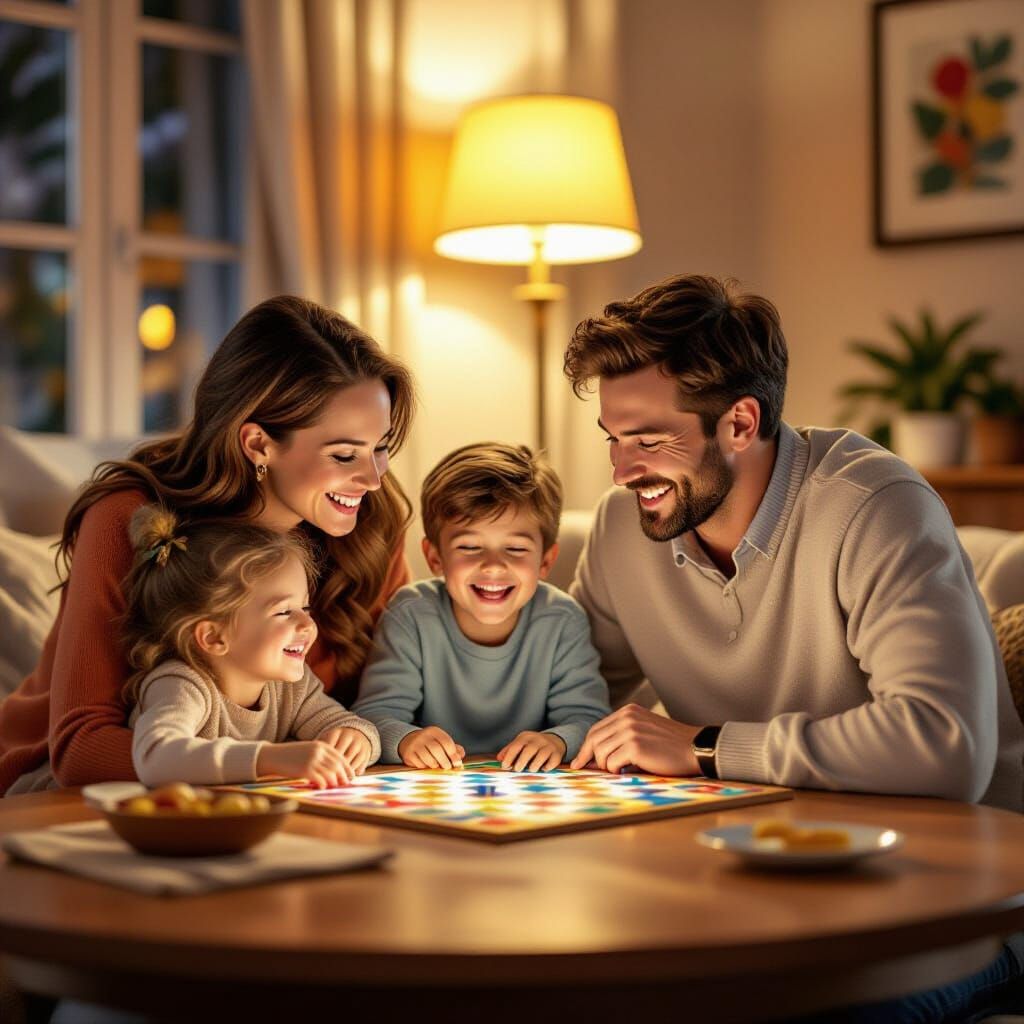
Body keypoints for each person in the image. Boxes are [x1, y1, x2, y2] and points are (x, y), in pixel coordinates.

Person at [563, 272, 1024, 1022]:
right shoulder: (623, 533)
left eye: (649, 439)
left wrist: (707, 749)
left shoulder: (875, 507)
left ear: (740, 423)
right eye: (614, 440)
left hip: (961, 905)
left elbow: (945, 746)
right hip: (754, 888)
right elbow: (570, 695)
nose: (621, 472)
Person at [0, 295, 414, 795]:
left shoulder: (369, 522)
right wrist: (269, 763)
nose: (371, 477)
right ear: (258, 444)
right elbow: (81, 751)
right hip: (63, 792)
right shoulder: (129, 518)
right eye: (345, 454)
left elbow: (390, 707)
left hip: (283, 795)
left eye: (381, 447)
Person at [354, 442, 610, 771]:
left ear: (545, 561)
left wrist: (558, 741)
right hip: (435, 788)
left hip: (531, 791)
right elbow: (373, 717)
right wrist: (405, 740)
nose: (492, 566)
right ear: (435, 558)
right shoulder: (411, 614)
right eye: (470, 546)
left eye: (516, 548)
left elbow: (590, 719)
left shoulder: (562, 620)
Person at [123, 506, 380, 788]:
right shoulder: (181, 683)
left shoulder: (292, 688)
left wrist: (356, 739)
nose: (307, 624)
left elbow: (349, 724)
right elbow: (154, 758)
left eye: (305, 607)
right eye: (283, 611)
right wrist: (269, 759)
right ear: (213, 637)